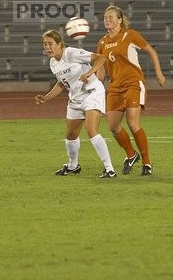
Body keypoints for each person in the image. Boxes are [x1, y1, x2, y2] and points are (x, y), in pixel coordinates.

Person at [34, 29, 117, 178]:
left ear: (59, 44)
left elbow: (101, 58)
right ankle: (73, 166)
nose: (47, 47)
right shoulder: (53, 63)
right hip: (75, 98)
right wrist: (46, 97)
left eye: (50, 44)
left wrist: (89, 73)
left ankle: (109, 169)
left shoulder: (71, 53)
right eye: (45, 44)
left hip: (92, 92)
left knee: (91, 130)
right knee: (71, 135)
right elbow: (62, 83)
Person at [96, 5, 165, 176]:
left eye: (111, 17)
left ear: (120, 20)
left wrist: (158, 73)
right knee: (113, 126)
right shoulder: (102, 42)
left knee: (133, 123)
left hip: (133, 83)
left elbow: (151, 51)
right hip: (115, 87)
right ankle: (131, 154)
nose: (107, 20)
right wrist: (96, 82)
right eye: (105, 17)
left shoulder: (129, 35)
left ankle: (147, 163)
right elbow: (101, 67)